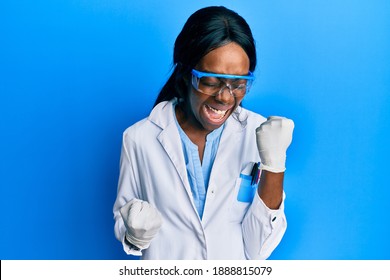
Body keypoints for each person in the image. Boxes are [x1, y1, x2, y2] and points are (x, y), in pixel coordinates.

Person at [113, 6, 294, 260]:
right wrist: (133, 233)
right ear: (186, 74)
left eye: (239, 84)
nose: (225, 97)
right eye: (210, 81)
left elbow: (258, 249)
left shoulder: (259, 135)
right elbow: (125, 217)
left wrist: (275, 165)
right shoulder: (139, 139)